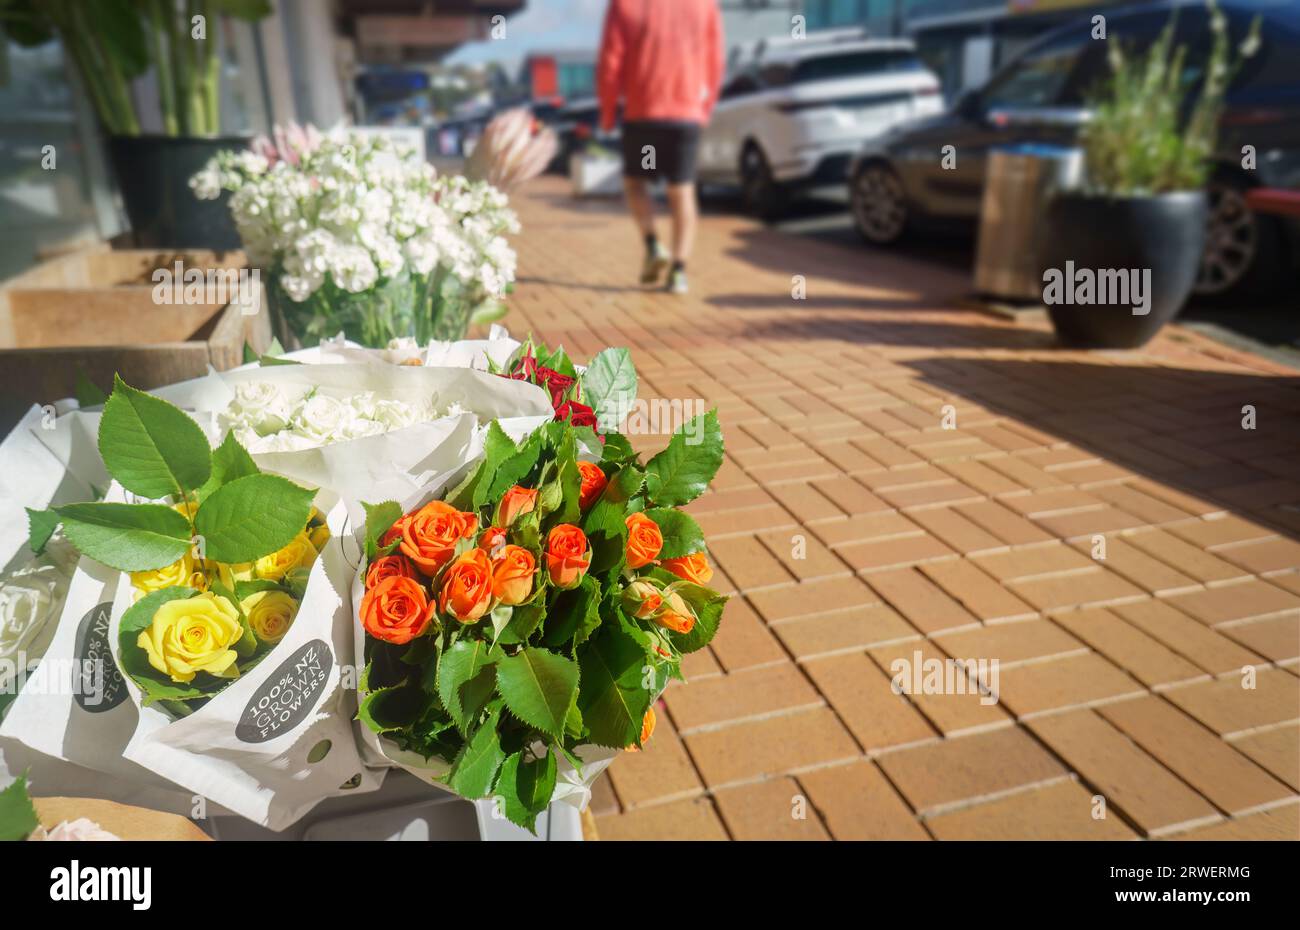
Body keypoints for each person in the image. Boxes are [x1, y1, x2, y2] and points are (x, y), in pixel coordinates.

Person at [596, 0, 724, 295]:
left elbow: (611, 60)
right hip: (685, 116)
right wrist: (705, 107)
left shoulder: (625, 4)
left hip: (644, 118)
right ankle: (678, 272)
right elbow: (714, 60)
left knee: (638, 183)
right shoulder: (704, 5)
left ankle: (653, 243)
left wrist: (606, 112)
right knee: (681, 190)